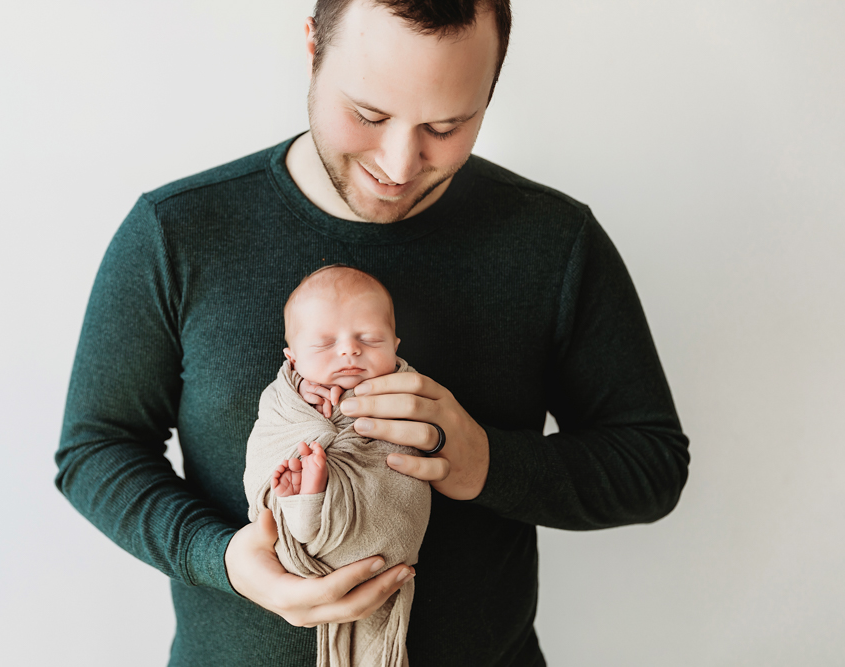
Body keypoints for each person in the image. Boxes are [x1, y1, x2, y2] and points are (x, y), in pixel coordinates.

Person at [55, 1, 690, 665]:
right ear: (311, 48)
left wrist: (486, 461)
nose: (399, 163)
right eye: (368, 114)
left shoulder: (554, 243)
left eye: (447, 125)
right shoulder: (176, 233)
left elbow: (652, 464)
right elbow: (95, 450)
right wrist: (221, 559)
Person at [244, 265, 430, 667]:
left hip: (381, 515)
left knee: (327, 474)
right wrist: (296, 390)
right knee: (295, 464)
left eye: (369, 338)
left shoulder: (407, 388)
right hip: (272, 577)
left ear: (396, 345)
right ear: (292, 359)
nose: (349, 350)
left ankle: (311, 499)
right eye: (324, 344)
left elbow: (421, 434)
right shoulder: (286, 398)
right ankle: (306, 499)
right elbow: (272, 433)